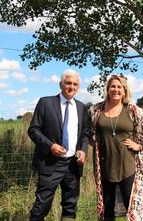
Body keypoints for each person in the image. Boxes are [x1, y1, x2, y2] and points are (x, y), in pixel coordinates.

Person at [89, 74, 143, 221]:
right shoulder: (96, 110)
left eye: (119, 87)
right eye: (112, 86)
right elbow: (88, 131)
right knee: (107, 208)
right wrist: (94, 142)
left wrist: (140, 145)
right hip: (106, 166)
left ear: (124, 90)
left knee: (133, 206)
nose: (115, 89)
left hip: (128, 166)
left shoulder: (132, 110)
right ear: (108, 89)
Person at [28, 69, 91, 221]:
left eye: (75, 84)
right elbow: (33, 130)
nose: (71, 87)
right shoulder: (46, 103)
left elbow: (85, 134)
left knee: (70, 206)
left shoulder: (82, 108)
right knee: (41, 205)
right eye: (68, 83)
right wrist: (50, 146)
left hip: (72, 165)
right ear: (60, 84)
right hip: (50, 163)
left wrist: (83, 150)